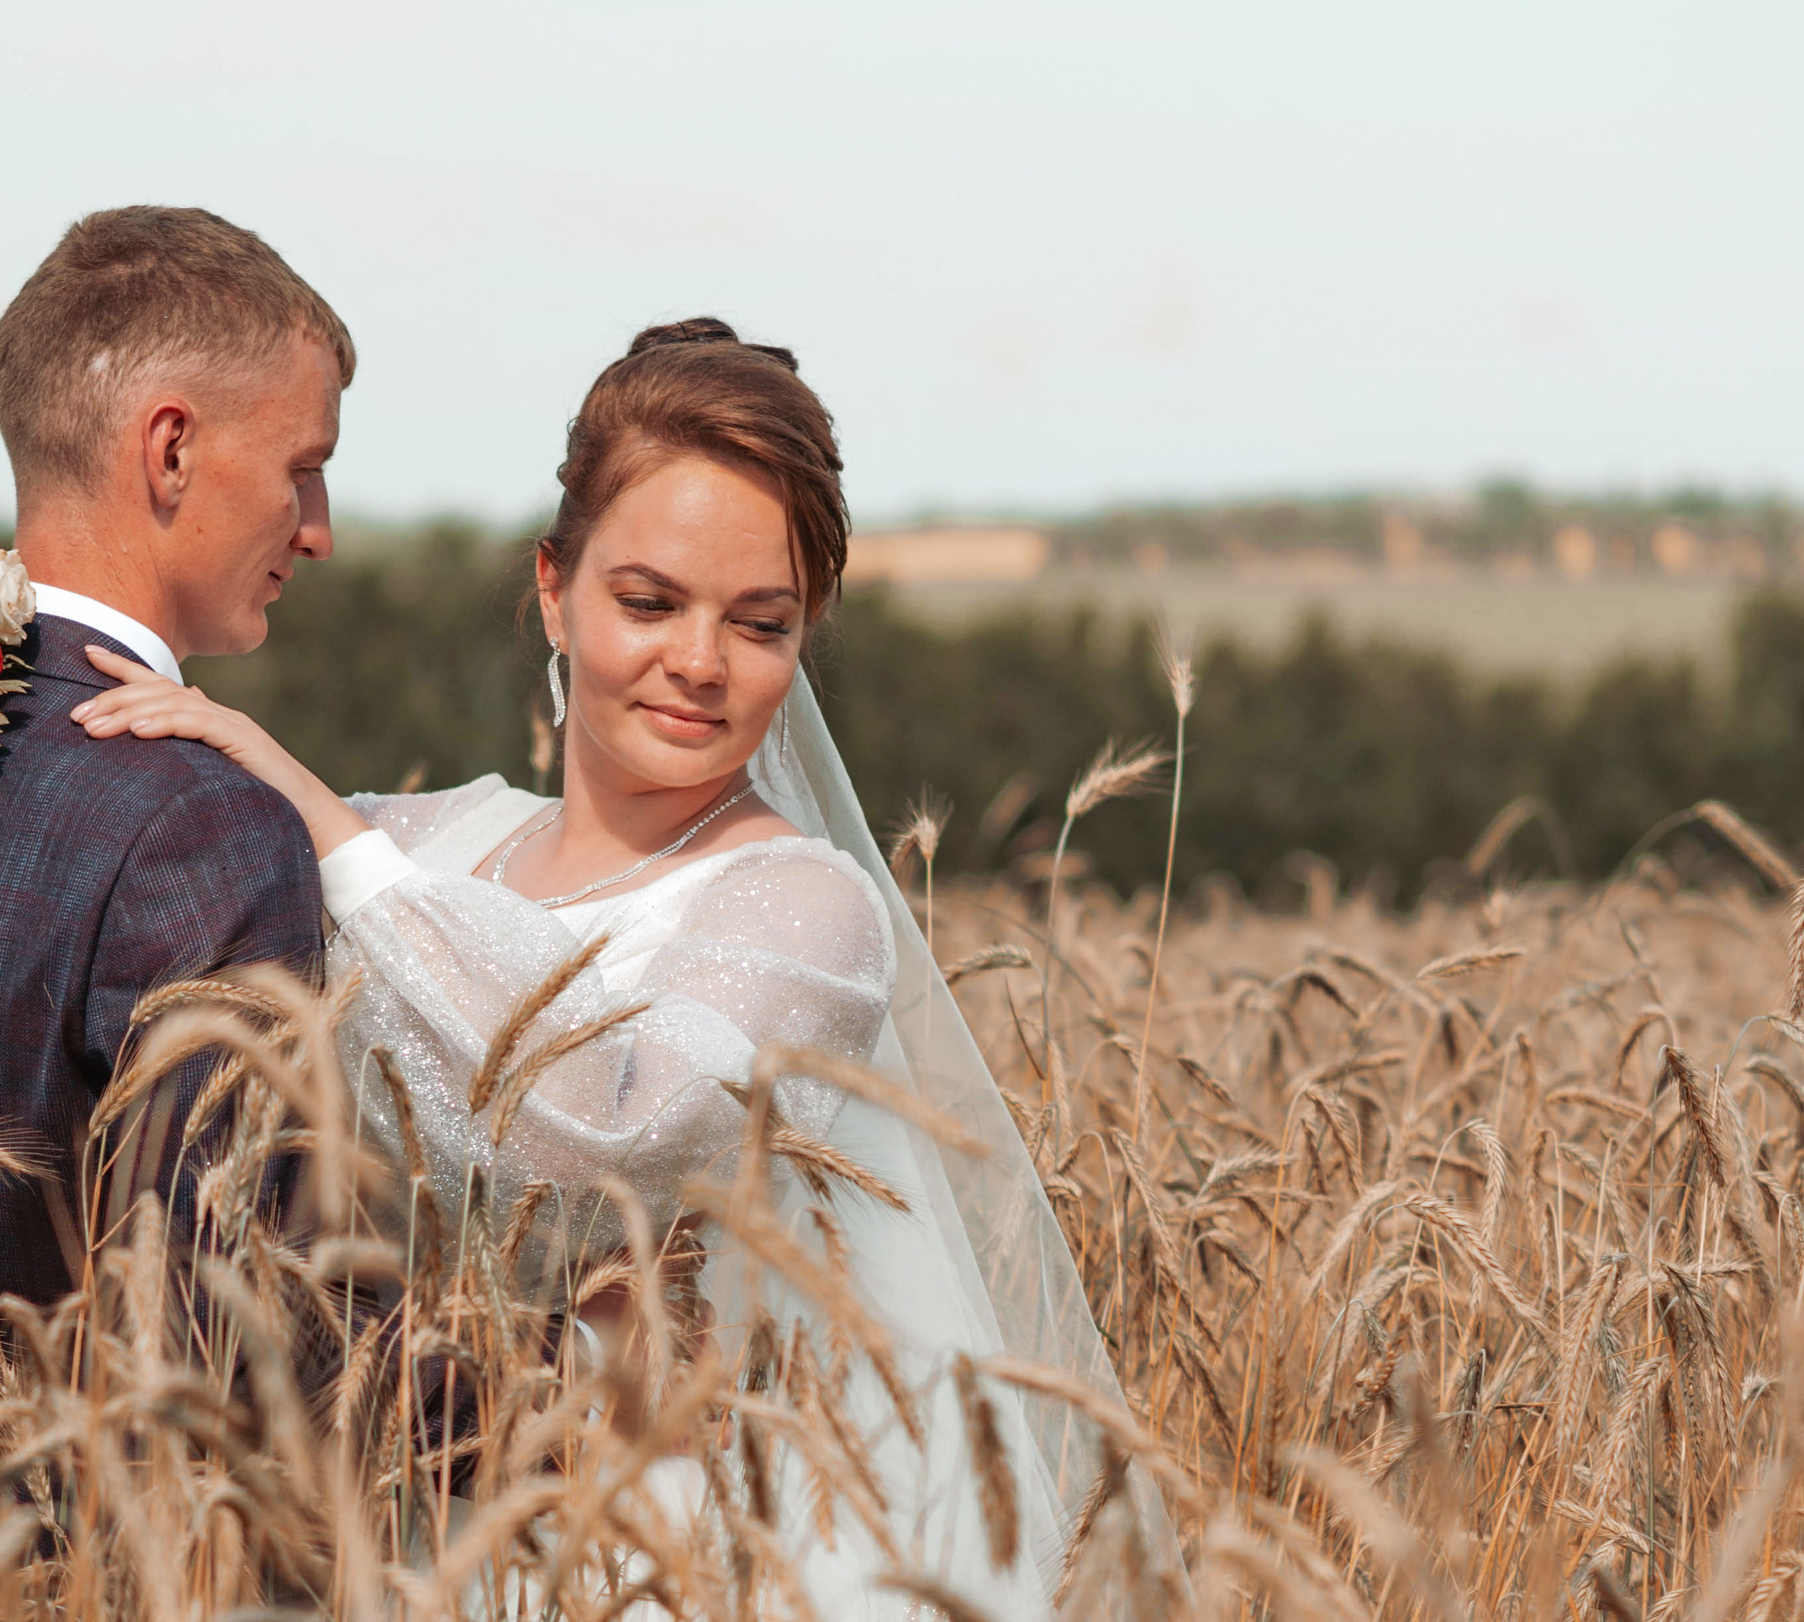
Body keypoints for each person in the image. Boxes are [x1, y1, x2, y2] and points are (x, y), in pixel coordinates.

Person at [71, 318, 1162, 1614]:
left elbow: (618, 1136)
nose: (699, 663)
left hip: (648, 1549)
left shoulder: (800, 909)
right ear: (553, 585)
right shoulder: (424, 843)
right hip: (368, 1528)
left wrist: (326, 835)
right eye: (649, 602)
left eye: (760, 624)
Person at [0, 206, 349, 1346]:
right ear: (170, 449)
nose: (319, 528)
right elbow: (241, 1342)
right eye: (303, 468)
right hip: (126, 1524)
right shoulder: (201, 821)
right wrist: (565, 1358)